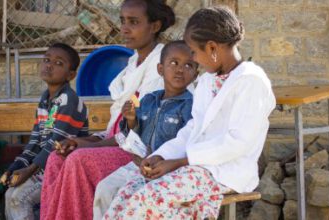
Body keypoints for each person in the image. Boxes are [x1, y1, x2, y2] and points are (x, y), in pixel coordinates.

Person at [102, 6, 276, 220]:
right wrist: (161, 155)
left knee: (148, 199)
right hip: (195, 165)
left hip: (226, 171)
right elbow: (193, 129)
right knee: (126, 193)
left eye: (194, 52)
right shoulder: (207, 81)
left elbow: (237, 143)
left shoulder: (251, 81)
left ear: (212, 48)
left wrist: (180, 162)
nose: (194, 58)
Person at [40, 0, 176, 219]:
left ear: (155, 26)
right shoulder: (132, 65)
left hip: (141, 153)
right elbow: (115, 128)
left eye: (134, 22)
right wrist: (85, 141)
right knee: (57, 158)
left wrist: (88, 145)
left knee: (78, 159)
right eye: (122, 21)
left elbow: (141, 133)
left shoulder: (164, 66)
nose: (124, 28)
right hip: (116, 144)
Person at [93, 40, 198, 219]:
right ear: (160, 69)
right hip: (137, 165)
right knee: (104, 189)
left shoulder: (191, 105)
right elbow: (131, 135)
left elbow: (189, 142)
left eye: (188, 65)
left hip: (167, 170)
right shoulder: (148, 99)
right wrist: (131, 120)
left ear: (196, 74)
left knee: (134, 202)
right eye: (174, 63)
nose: (180, 69)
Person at [3, 43, 88, 220]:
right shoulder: (44, 101)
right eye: (46, 60)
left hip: (63, 168)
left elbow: (56, 142)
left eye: (58, 63)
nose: (49, 65)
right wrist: (15, 167)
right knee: (9, 194)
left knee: (19, 198)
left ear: (70, 75)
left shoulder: (68, 100)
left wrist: (29, 170)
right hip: (43, 167)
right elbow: (34, 141)